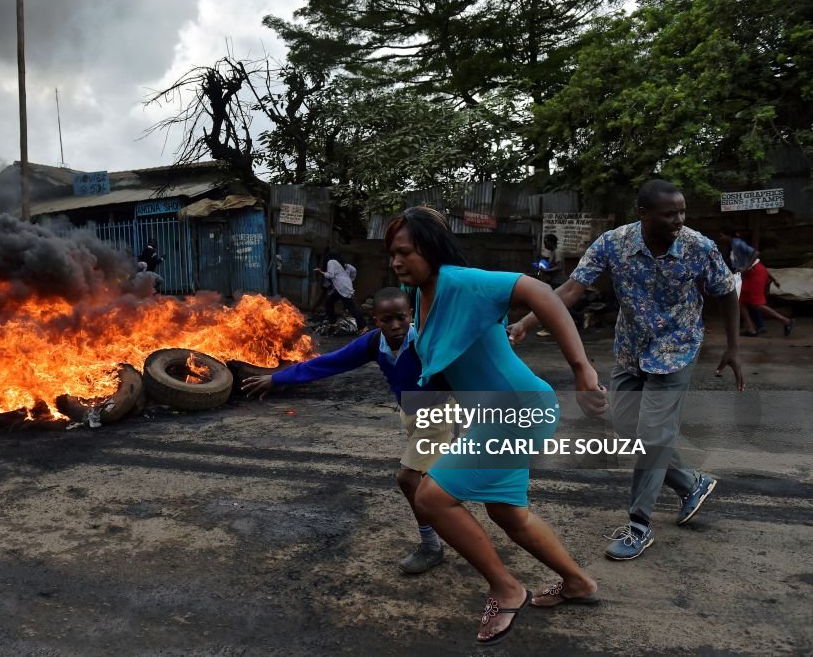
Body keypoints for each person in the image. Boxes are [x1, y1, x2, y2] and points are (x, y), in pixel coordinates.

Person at [386, 206, 607, 645]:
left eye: (404, 252)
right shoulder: (421, 296)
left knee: (431, 497)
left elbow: (541, 292)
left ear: (429, 248)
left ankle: (506, 588)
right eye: (391, 254)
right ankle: (578, 583)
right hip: (492, 414)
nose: (395, 262)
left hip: (518, 410)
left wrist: (582, 370)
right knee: (509, 513)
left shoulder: (461, 281)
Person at [510, 180, 744, 562]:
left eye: (682, 212)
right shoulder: (613, 243)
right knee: (624, 428)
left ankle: (638, 525)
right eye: (670, 214)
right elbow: (570, 291)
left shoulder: (698, 246)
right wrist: (526, 323)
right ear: (643, 214)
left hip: (676, 351)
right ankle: (691, 483)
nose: (679, 220)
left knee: (653, 435)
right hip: (631, 350)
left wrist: (734, 348)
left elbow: (726, 292)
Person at [241, 287, 453, 574]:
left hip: (437, 412)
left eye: (401, 318)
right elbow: (329, 362)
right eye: (386, 320)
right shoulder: (372, 344)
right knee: (429, 481)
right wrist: (278, 379)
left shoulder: (425, 342)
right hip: (411, 413)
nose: (395, 326)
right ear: (375, 320)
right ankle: (447, 513)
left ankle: (431, 545)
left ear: (411, 315)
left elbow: (463, 362)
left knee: (408, 478)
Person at [716, 229, 794, 337]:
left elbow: (756, 253)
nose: (719, 238)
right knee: (740, 301)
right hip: (749, 275)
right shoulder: (732, 247)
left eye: (721, 235)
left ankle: (786, 321)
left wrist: (746, 268)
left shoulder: (738, 243)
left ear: (728, 236)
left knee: (757, 304)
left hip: (755, 274)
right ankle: (751, 329)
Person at [316, 253, 367, 330]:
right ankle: (333, 323)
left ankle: (364, 327)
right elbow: (354, 270)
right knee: (328, 303)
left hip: (343, 289)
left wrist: (321, 272)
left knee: (352, 308)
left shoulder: (331, 261)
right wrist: (350, 280)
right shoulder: (342, 265)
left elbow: (330, 275)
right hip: (342, 288)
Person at [534, 233, 567, 337]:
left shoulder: (557, 252)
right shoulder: (552, 252)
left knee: (552, 305)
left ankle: (549, 328)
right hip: (554, 281)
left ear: (551, 242)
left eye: (545, 242)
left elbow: (559, 267)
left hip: (559, 281)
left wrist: (546, 270)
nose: (544, 244)